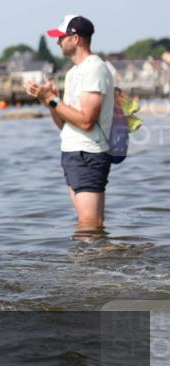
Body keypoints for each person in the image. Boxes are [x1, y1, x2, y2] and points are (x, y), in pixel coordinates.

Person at [25, 15, 114, 230]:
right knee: (88, 225)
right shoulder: (74, 72)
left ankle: (91, 264)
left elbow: (86, 122)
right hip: (74, 153)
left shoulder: (94, 68)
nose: (57, 42)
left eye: (61, 37)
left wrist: (52, 100)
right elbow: (64, 123)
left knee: (89, 225)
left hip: (88, 154)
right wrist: (50, 101)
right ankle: (92, 263)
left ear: (75, 38)